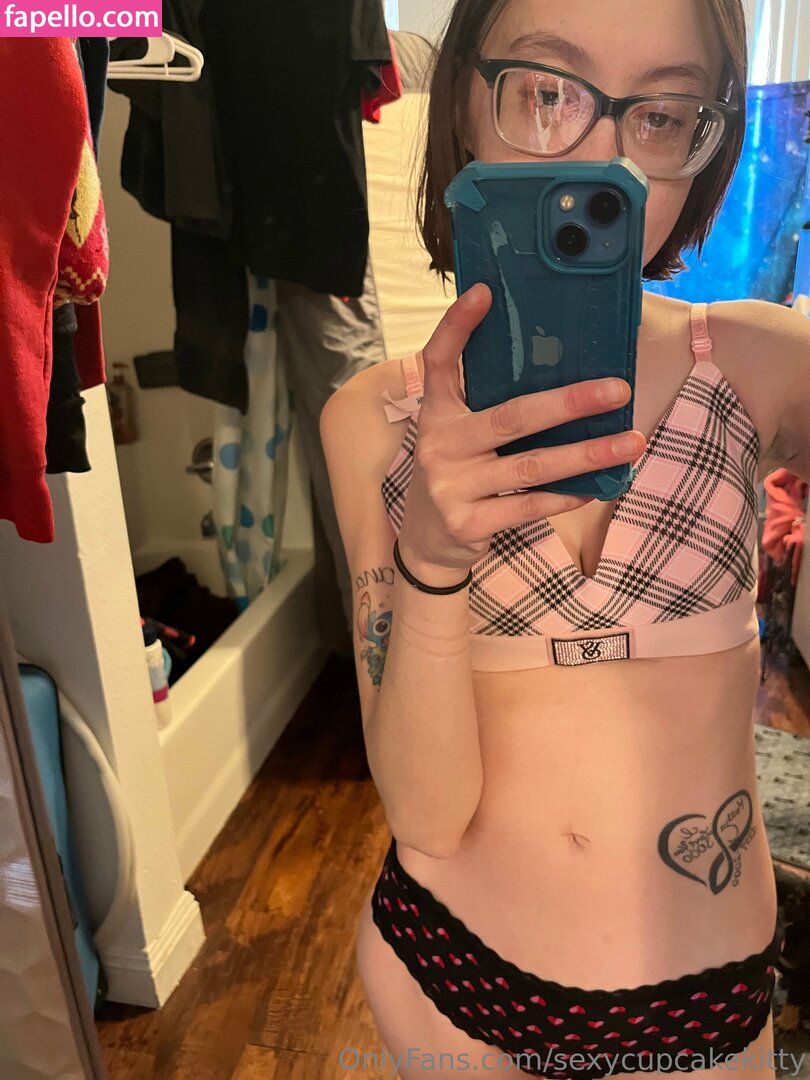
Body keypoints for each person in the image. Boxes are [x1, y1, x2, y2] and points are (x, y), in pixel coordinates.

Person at [320, 2, 810, 1077]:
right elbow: (428, 815)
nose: (605, 159)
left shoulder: (763, 366)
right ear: (464, 103)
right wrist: (432, 562)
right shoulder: (372, 423)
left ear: (708, 139)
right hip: (451, 974)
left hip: (701, 993)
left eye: (662, 113)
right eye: (547, 93)